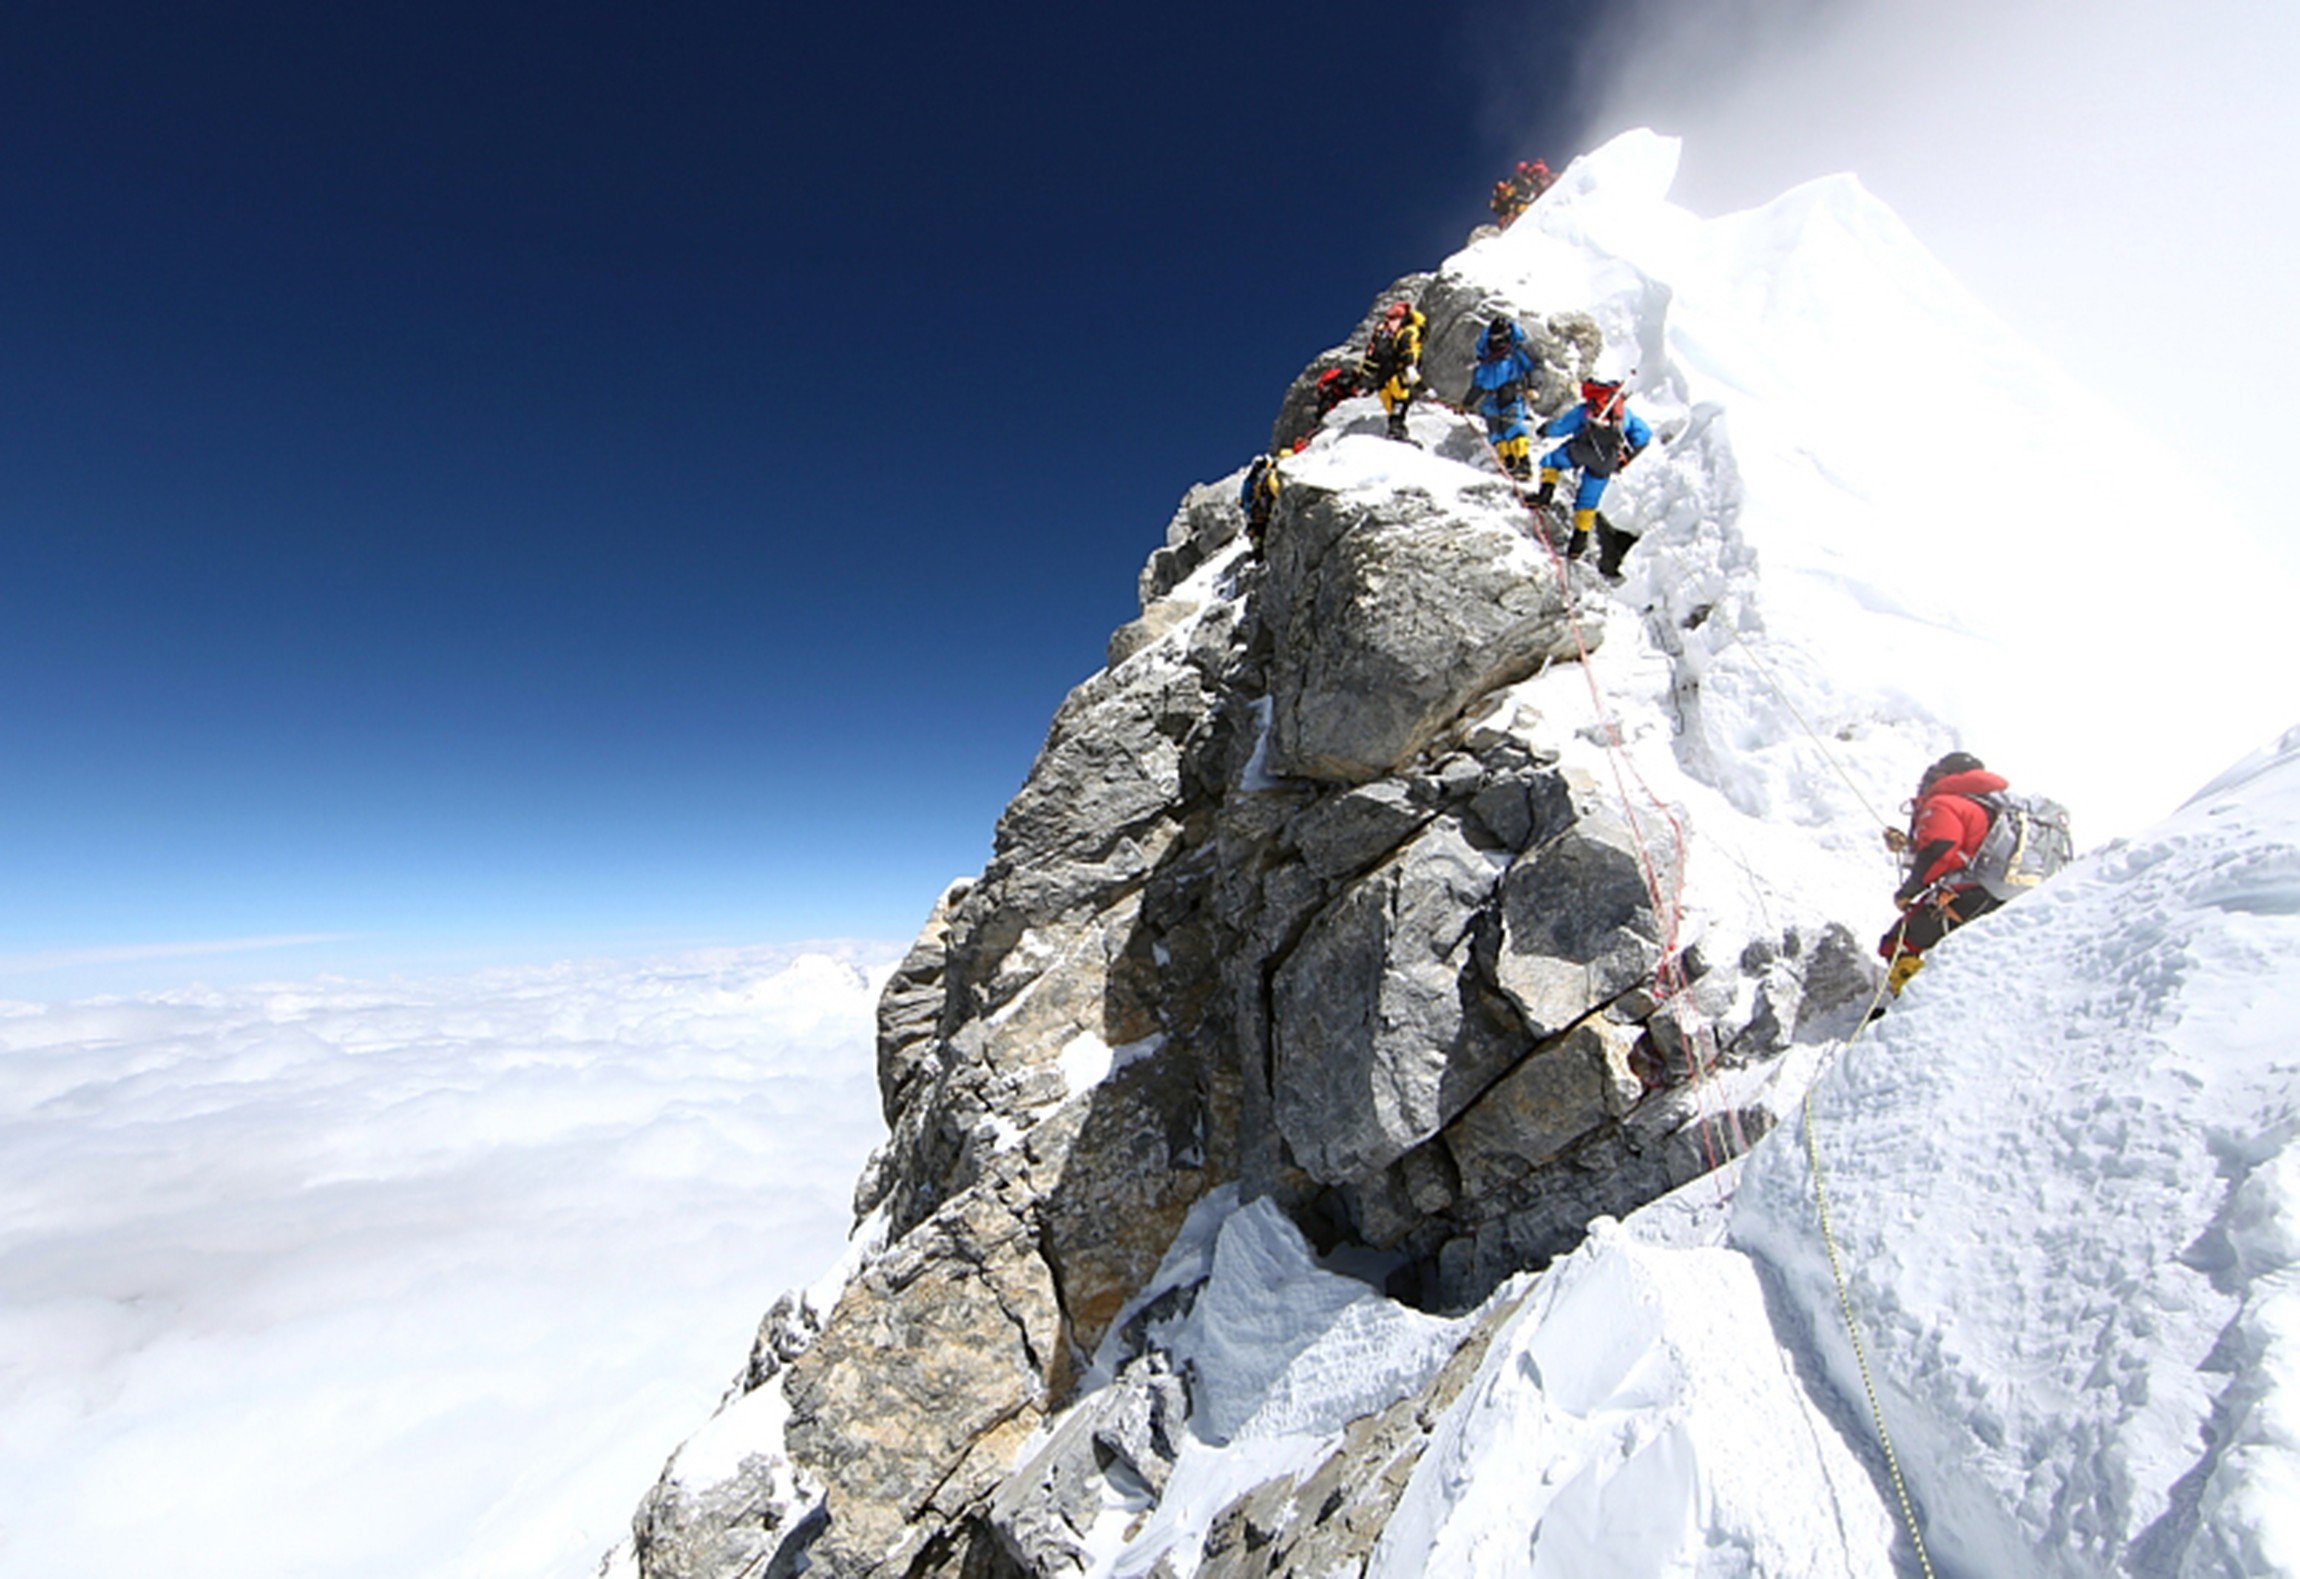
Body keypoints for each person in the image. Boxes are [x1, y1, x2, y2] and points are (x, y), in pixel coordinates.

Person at [1877, 752, 2009, 993]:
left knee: (1899, 943)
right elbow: (1966, 848)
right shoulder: (1986, 805)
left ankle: (1915, 1003)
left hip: (1967, 894)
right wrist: (1910, 846)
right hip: (1994, 894)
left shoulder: (1943, 803)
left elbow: (1940, 850)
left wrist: (1909, 890)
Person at [1531, 378, 1651, 559]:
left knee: (1551, 461)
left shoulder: (1587, 410)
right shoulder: (1624, 414)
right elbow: (1644, 435)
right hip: (1608, 460)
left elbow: (1561, 428)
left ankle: (1544, 496)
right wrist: (1626, 458)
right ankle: (1578, 543)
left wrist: (1545, 430)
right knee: (1589, 499)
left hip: (1582, 450)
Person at [1470, 317, 1542, 480]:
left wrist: (1533, 386)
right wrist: (1467, 403)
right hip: (1491, 398)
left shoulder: (1517, 350)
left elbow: (1535, 367)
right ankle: (1508, 462)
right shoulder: (1487, 355)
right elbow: (1479, 383)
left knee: (1512, 426)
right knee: (1496, 430)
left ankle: (1523, 462)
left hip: (1512, 392)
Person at [1360, 299, 1425, 442]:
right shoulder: (1410, 329)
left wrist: (1367, 380)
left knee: (1393, 406)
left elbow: (1372, 356)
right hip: (1398, 373)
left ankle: (1396, 429)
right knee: (1401, 400)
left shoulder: (1382, 331)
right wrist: (1411, 369)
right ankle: (1397, 432)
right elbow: (1407, 348)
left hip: (1382, 378)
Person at [1240, 452, 1283, 548]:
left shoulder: (1251, 480)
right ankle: (1259, 553)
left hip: (1257, 510)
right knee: (1260, 532)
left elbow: (1245, 498)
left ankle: (1259, 553)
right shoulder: (1262, 475)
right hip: (1260, 508)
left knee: (1259, 533)